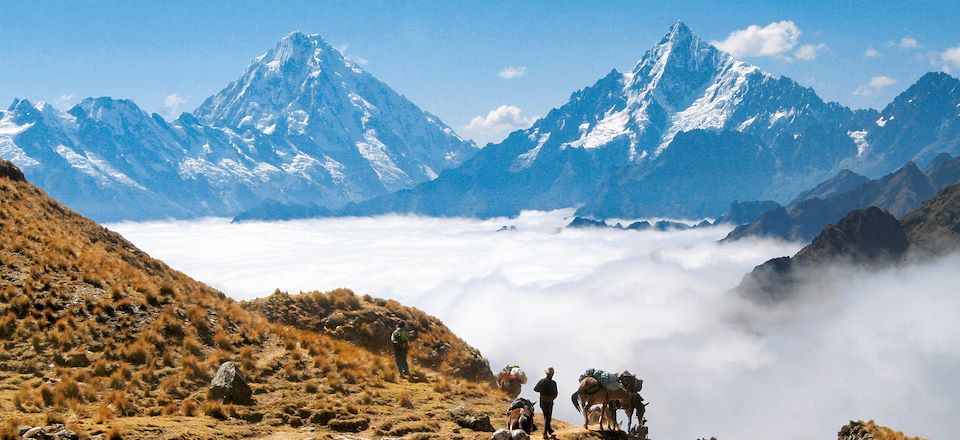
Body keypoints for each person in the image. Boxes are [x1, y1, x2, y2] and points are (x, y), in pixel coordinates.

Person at [534, 367, 558, 439]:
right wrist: (551, 398)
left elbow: (535, 389)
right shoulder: (554, 383)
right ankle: (545, 433)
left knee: (547, 417)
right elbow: (556, 393)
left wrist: (542, 391)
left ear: (546, 374)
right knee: (547, 417)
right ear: (552, 374)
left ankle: (549, 431)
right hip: (550, 402)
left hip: (543, 401)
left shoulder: (542, 381)